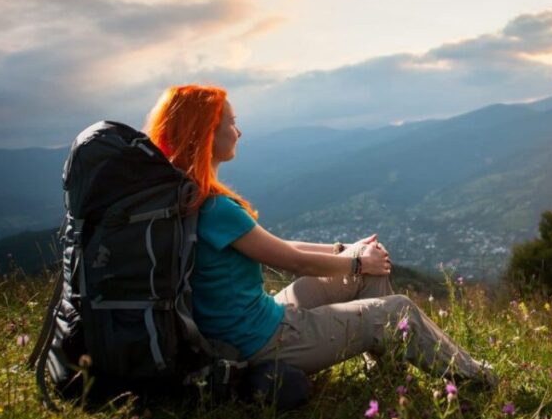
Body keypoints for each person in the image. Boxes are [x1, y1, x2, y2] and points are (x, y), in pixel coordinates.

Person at [144, 84, 496, 387]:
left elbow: (278, 247)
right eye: (232, 123)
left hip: (243, 325)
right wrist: (357, 263)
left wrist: (345, 250)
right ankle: (478, 378)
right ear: (207, 133)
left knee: (366, 261)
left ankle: (388, 372)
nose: (239, 132)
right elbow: (291, 261)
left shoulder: (187, 196)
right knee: (397, 310)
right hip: (261, 340)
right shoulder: (215, 207)